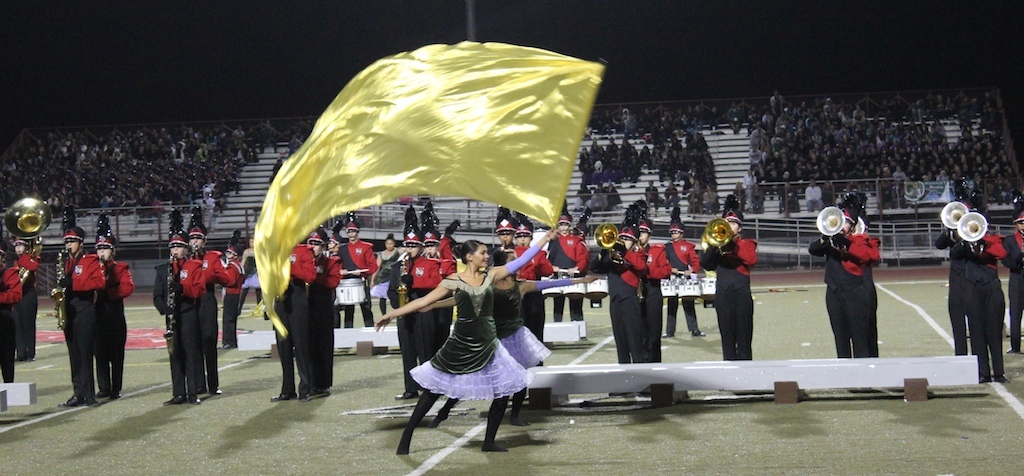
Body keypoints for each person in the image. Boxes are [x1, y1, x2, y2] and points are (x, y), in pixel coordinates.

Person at [375, 229, 557, 455]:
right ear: (470, 257)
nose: (487, 256)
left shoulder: (492, 275)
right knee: (433, 391)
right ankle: (408, 433)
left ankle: (488, 441)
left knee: (503, 391)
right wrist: (392, 314)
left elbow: (522, 260)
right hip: (461, 342)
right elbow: (424, 300)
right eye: (482, 253)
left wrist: (544, 240)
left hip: (489, 342)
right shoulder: (454, 280)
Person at [425, 249, 594, 428]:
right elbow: (460, 300)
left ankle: (514, 415)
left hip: (515, 337)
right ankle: (444, 411)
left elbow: (550, 284)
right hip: (491, 337)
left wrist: (581, 280)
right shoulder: (486, 285)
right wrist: (433, 305)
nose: (519, 262)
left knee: (520, 376)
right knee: (471, 375)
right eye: (513, 260)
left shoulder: (522, 285)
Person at [807, 195, 880, 358]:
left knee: (860, 339)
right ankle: (846, 377)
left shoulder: (860, 240)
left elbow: (870, 256)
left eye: (845, 221)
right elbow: (813, 250)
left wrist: (846, 242)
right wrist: (825, 238)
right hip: (833, 292)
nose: (840, 224)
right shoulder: (830, 241)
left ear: (853, 226)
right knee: (840, 338)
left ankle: (865, 379)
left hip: (854, 293)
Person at [387, 206, 442, 401]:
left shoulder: (429, 264)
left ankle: (429, 387)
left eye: (414, 246)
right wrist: (397, 302)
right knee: (407, 352)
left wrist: (414, 282)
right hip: (404, 315)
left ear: (420, 246)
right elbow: (391, 290)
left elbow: (436, 284)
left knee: (425, 351)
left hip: (423, 314)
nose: (410, 249)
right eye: (407, 245)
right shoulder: (397, 267)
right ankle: (410, 388)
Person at [153, 210, 205, 405]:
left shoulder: (193, 266)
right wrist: (164, 309)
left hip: (188, 314)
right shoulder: (163, 269)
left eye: (178, 246)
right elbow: (157, 296)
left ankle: (192, 393)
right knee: (174, 354)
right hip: (171, 316)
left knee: (189, 353)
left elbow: (199, 290)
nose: (174, 250)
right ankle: (178, 393)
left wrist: (182, 288)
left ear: (185, 249)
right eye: (172, 246)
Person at [57, 206, 106, 407]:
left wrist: (74, 285)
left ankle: (89, 394)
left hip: (85, 310)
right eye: (67, 241)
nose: (69, 245)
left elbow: (99, 283)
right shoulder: (64, 263)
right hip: (69, 310)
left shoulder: (90, 261)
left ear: (81, 243)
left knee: (85, 352)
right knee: (73, 354)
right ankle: (78, 392)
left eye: (72, 241)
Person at [700, 195, 757, 360]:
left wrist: (731, 244)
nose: (729, 226)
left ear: (739, 228)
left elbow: (750, 259)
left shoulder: (746, 243)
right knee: (727, 339)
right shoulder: (717, 246)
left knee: (744, 340)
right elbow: (706, 264)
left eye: (733, 223)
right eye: (727, 223)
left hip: (741, 295)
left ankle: (746, 380)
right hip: (723, 295)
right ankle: (729, 377)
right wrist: (713, 246)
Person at [960, 194, 1008, 383]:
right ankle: (982, 372)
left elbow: (1002, 253)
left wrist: (983, 242)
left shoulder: (994, 240)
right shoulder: (964, 241)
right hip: (972, 288)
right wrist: (966, 240)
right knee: (977, 331)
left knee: (994, 331)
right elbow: (953, 252)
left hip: (991, 288)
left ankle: (999, 372)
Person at [591, 206, 648, 364]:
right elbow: (594, 268)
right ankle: (624, 383)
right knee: (621, 344)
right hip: (615, 301)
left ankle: (640, 384)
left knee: (635, 343)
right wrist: (603, 251)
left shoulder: (638, 254)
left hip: (630, 301)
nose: (622, 241)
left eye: (627, 239)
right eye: (621, 238)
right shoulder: (611, 256)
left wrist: (626, 252)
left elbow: (642, 268)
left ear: (635, 242)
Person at [188, 207, 229, 395]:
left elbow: (227, 279)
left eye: (197, 238)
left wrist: (208, 274)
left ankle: (213, 385)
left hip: (207, 300)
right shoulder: (184, 258)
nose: (194, 242)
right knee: (193, 343)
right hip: (190, 303)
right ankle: (198, 384)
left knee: (209, 341)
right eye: (191, 238)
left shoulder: (212, 257)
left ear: (204, 241)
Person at [271, 239, 318, 402]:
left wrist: (289, 269)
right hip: (280, 302)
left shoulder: (304, 251)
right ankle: (287, 390)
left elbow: (310, 276)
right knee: (283, 346)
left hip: (297, 299)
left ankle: (305, 388)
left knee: (301, 345)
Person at [94, 214, 135, 400]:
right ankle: (103, 386)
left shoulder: (120, 268)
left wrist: (107, 290)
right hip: (97, 316)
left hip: (115, 316)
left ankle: (115, 388)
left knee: (116, 354)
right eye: (99, 248)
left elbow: (127, 288)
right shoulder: (91, 267)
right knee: (100, 353)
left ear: (113, 251)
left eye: (105, 248)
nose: (101, 252)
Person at [935, 183, 971, 355]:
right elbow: (939, 244)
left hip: (972, 278)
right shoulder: (952, 232)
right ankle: (961, 356)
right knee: (957, 321)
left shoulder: (973, 228)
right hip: (956, 279)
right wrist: (950, 230)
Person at [307, 227, 341, 396]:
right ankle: (308, 381)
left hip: (323, 308)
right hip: (305, 308)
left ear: (324, 246)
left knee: (323, 345)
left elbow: (333, 282)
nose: (313, 246)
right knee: (306, 346)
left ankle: (323, 383)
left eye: (317, 243)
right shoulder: (303, 260)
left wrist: (313, 277)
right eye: (310, 243)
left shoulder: (331, 262)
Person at [663, 207, 705, 338]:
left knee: (689, 304)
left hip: (685, 279)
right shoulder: (667, 247)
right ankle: (670, 331)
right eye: (672, 232)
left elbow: (696, 262)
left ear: (681, 233)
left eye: (676, 232)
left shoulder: (688, 246)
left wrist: (691, 271)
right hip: (672, 278)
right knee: (672, 305)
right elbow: (663, 262)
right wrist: (671, 269)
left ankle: (694, 330)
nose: (673, 235)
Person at [636, 202, 670, 362]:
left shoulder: (657, 251)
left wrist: (647, 272)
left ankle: (655, 365)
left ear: (649, 235)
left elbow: (666, 271)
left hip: (652, 293)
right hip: (635, 295)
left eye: (643, 232)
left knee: (654, 333)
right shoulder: (630, 251)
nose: (640, 235)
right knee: (639, 333)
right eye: (639, 232)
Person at [512, 212, 553, 343]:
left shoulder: (539, 253)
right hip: (515, 293)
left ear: (531, 238)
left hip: (533, 293)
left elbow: (548, 271)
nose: (522, 239)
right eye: (519, 236)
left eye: (526, 236)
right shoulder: (510, 253)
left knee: (535, 329)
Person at [337, 212, 378, 328]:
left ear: (357, 231)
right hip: (347, 282)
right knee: (348, 311)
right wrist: (340, 271)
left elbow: (373, 266)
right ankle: (347, 336)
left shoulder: (366, 247)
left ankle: (370, 333)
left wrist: (362, 271)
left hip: (361, 280)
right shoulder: (342, 249)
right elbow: (337, 265)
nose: (351, 233)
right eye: (349, 231)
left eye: (353, 231)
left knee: (366, 308)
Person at [547, 206, 589, 322]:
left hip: (573, 276)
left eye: (565, 225)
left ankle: (578, 329)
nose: (563, 227)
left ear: (569, 226)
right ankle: (557, 327)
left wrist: (576, 268)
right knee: (558, 304)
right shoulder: (554, 241)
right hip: (558, 276)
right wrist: (552, 267)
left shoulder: (576, 240)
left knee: (576, 304)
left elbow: (582, 258)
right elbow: (549, 258)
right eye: (561, 225)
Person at [11, 236, 39, 362]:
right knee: (17, 325)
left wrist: (22, 260)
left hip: (28, 295)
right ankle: (21, 352)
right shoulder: (13, 261)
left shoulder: (30, 258)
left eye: (20, 245)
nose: (18, 248)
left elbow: (33, 267)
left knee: (28, 325)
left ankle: (30, 353)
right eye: (16, 246)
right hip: (16, 296)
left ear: (26, 247)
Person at [1003, 194, 1024, 354]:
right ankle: (1015, 346)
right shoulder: (1010, 240)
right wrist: (1020, 254)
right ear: (1015, 224)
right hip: (1017, 278)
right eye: (1021, 223)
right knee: (1015, 312)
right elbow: (1007, 262)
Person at [0, 241, 23, 383]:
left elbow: (16, 295)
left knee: (6, 358)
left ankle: (9, 390)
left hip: (4, 320)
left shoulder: (9, 272)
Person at [220, 231, 245, 349]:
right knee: (231, 319)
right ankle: (231, 341)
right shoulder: (239, 265)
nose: (227, 255)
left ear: (235, 255)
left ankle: (228, 341)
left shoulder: (232, 266)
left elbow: (230, 281)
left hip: (231, 294)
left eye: (229, 253)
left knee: (228, 319)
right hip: (235, 294)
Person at [371, 234, 401, 316]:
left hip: (394, 276)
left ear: (394, 244)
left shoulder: (397, 251)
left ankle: (399, 312)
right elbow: (377, 267)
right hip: (384, 277)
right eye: (387, 244)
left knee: (395, 295)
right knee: (382, 297)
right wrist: (373, 280)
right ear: (385, 244)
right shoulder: (381, 254)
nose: (389, 245)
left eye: (391, 243)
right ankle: (384, 314)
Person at [238, 237, 262, 314]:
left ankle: (259, 309)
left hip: (257, 272)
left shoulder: (260, 251)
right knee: (244, 291)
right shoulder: (246, 251)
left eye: (253, 242)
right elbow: (243, 262)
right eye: (250, 242)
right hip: (248, 273)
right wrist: (240, 270)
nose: (251, 243)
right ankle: (239, 309)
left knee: (258, 292)